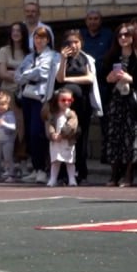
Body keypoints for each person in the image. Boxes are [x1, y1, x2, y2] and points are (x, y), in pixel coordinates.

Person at [101, 22, 137, 187]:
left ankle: (128, 175)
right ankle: (114, 174)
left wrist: (131, 79)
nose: (123, 38)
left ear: (133, 37)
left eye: (126, 35)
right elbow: (102, 78)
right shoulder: (111, 56)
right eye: (120, 35)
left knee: (131, 137)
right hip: (115, 101)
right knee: (114, 136)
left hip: (132, 101)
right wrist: (108, 79)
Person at [55, 29, 103, 184]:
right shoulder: (60, 59)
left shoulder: (86, 59)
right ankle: (63, 174)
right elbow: (59, 78)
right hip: (65, 106)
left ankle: (81, 172)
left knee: (81, 137)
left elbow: (90, 78)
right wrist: (63, 59)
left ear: (81, 43)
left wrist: (70, 80)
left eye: (76, 42)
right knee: (64, 136)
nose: (73, 45)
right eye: (69, 43)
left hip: (82, 104)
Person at [15, 26, 59, 184]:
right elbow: (17, 75)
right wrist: (29, 74)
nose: (39, 41)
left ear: (48, 40)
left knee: (38, 132)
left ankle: (43, 169)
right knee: (29, 133)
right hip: (27, 96)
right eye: (36, 38)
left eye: (42, 38)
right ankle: (36, 168)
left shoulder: (54, 56)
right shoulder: (29, 57)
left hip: (42, 98)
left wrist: (27, 74)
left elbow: (44, 73)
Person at [0, 22, 30, 181]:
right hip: (7, 94)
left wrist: (15, 73)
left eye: (18, 31)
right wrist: (21, 75)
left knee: (22, 128)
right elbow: (2, 73)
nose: (15, 33)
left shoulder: (29, 52)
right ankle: (7, 165)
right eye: (13, 30)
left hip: (24, 94)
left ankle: (21, 161)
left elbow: (32, 73)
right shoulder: (4, 50)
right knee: (7, 128)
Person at [42, 88, 80, 187]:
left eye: (69, 100)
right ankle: (53, 179)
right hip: (56, 142)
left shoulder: (71, 114)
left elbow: (72, 125)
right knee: (55, 161)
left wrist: (62, 134)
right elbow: (49, 125)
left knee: (70, 161)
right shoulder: (53, 114)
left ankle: (72, 179)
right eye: (63, 100)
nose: (66, 103)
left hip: (67, 141)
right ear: (57, 101)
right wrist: (52, 134)